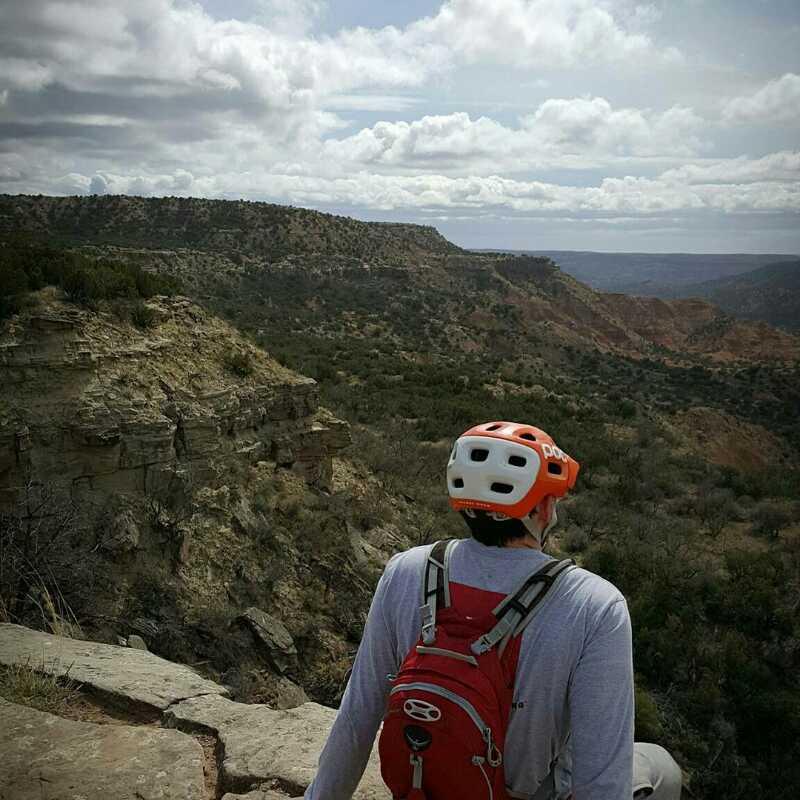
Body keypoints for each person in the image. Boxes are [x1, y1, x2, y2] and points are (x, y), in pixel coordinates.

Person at [305, 421, 681, 800]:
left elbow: (357, 718)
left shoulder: (406, 570)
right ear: (545, 508)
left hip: (423, 786)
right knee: (659, 765)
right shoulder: (595, 605)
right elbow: (600, 780)